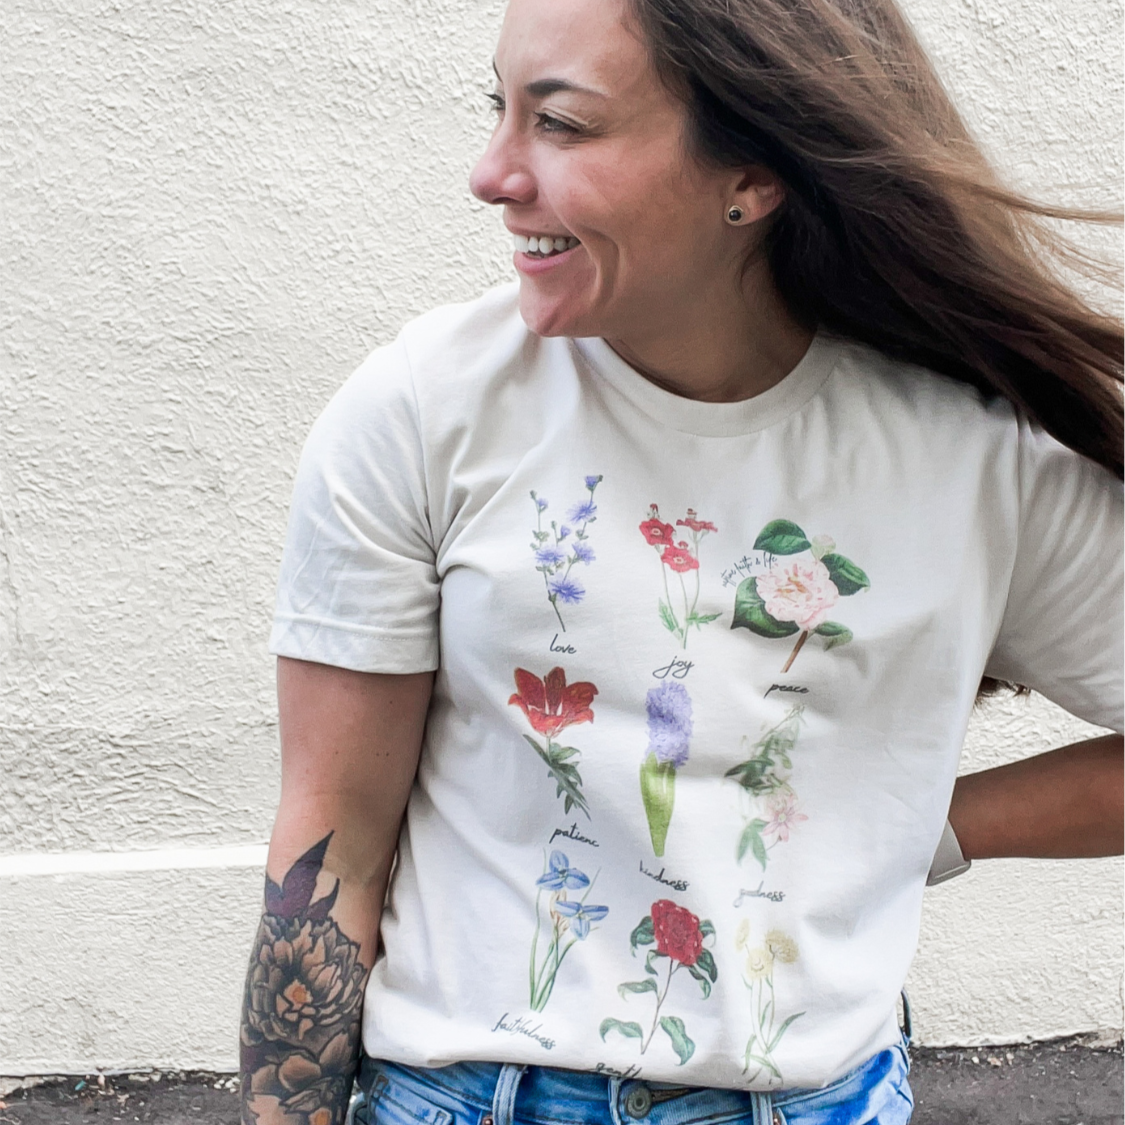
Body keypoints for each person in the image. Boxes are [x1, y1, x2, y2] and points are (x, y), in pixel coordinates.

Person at [237, 0, 1123, 1121]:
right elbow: (335, 845)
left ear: (750, 177)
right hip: (459, 1093)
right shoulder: (425, 411)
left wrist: (931, 829)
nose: (491, 174)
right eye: (497, 108)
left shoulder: (975, 457)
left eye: (561, 124)